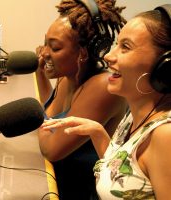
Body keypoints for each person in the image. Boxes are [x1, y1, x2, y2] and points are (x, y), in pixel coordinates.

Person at [41, 4, 171, 200]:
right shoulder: (134, 116)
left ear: (164, 67)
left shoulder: (165, 136)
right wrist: (99, 135)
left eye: (125, 47)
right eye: (116, 44)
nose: (109, 56)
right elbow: (125, 182)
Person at [35, 0, 127, 199]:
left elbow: (52, 150)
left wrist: (32, 119)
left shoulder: (102, 87)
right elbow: (49, 112)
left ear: (83, 53)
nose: (44, 53)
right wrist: (40, 73)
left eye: (55, 48)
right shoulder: (69, 75)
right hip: (56, 182)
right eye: (45, 44)